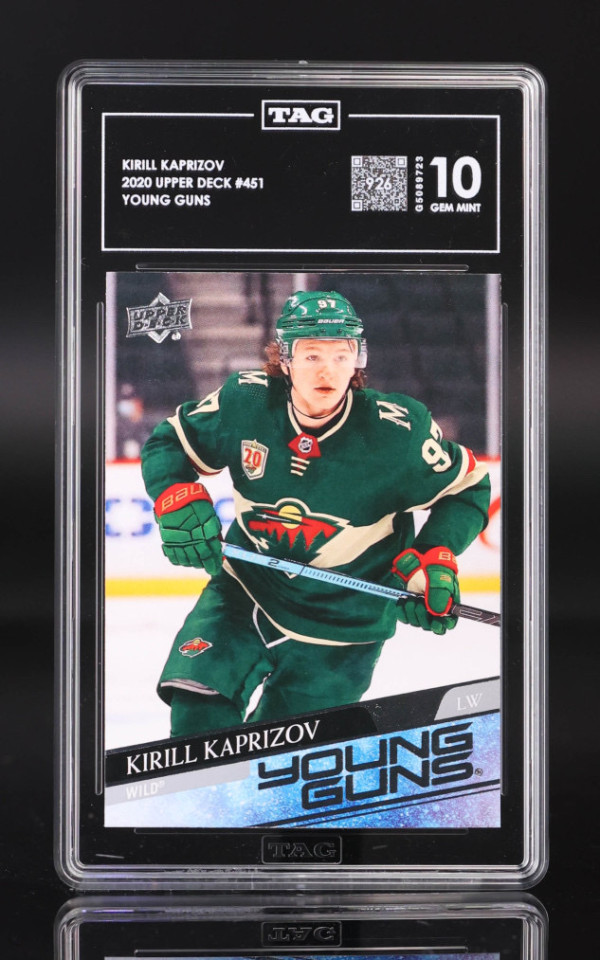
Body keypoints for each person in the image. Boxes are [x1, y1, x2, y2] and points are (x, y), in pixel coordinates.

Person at [141, 291, 491, 736]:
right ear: (284, 359)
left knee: (285, 754)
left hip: (346, 624)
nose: (327, 370)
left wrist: (433, 553)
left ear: (357, 359)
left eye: (341, 356)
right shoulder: (246, 401)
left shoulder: (397, 434)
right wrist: (174, 494)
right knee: (197, 711)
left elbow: (468, 486)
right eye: (311, 356)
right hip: (247, 589)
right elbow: (169, 441)